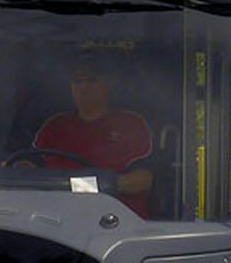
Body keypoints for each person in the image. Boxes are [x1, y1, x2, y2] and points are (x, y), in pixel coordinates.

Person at [33, 52, 154, 216]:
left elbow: (143, 180)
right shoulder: (55, 126)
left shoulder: (131, 125)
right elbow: (27, 168)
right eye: (77, 81)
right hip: (52, 222)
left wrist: (84, 186)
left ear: (108, 84)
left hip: (115, 224)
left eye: (91, 80)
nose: (83, 87)